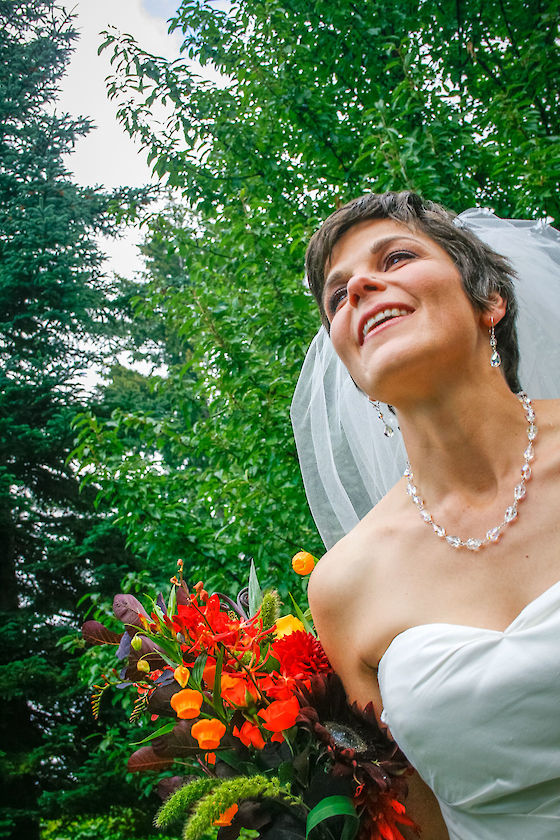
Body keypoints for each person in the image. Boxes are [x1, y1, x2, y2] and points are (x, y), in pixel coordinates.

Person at [291, 192, 560, 839]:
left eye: (398, 256)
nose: (359, 286)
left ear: (490, 300)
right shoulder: (342, 587)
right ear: (352, 370)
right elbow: (417, 819)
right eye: (336, 296)